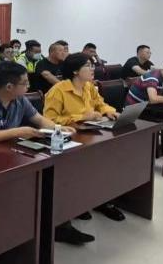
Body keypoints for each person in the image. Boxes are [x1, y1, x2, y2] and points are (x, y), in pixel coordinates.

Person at [0, 62, 86, 244]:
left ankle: (55, 227)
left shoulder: (19, 100)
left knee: (47, 179)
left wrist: (58, 128)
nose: (28, 86)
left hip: (8, 154)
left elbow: (40, 120)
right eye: (25, 83)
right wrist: (18, 132)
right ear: (9, 87)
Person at [43, 53, 126, 224]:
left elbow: (100, 104)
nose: (92, 69)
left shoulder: (89, 86)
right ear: (75, 71)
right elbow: (50, 120)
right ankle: (78, 203)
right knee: (83, 169)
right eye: (87, 65)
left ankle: (100, 199)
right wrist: (81, 116)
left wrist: (110, 111)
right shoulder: (58, 90)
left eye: (92, 65)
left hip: (90, 134)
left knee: (108, 162)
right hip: (69, 138)